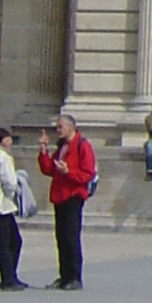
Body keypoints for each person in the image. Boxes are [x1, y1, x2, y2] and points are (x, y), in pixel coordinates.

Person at [35, 111, 95, 290]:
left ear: (70, 127)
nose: (58, 130)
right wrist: (44, 151)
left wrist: (68, 172)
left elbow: (87, 174)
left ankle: (74, 277)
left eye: (60, 127)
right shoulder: (62, 147)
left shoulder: (82, 146)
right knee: (60, 237)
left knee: (71, 237)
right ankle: (64, 276)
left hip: (73, 196)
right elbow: (48, 169)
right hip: (59, 195)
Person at [0, 124, 25, 290]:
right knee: (6, 244)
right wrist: (10, 194)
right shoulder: (0, 155)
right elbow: (9, 182)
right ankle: (8, 279)